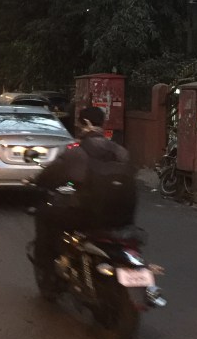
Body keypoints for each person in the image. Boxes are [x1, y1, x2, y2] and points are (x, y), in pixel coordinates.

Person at [29, 105, 137, 292]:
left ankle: (48, 272)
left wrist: (38, 181)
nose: (78, 128)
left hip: (88, 216)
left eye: (79, 124)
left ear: (85, 123)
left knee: (45, 214)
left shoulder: (78, 153)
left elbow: (52, 175)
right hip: (123, 217)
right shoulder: (121, 152)